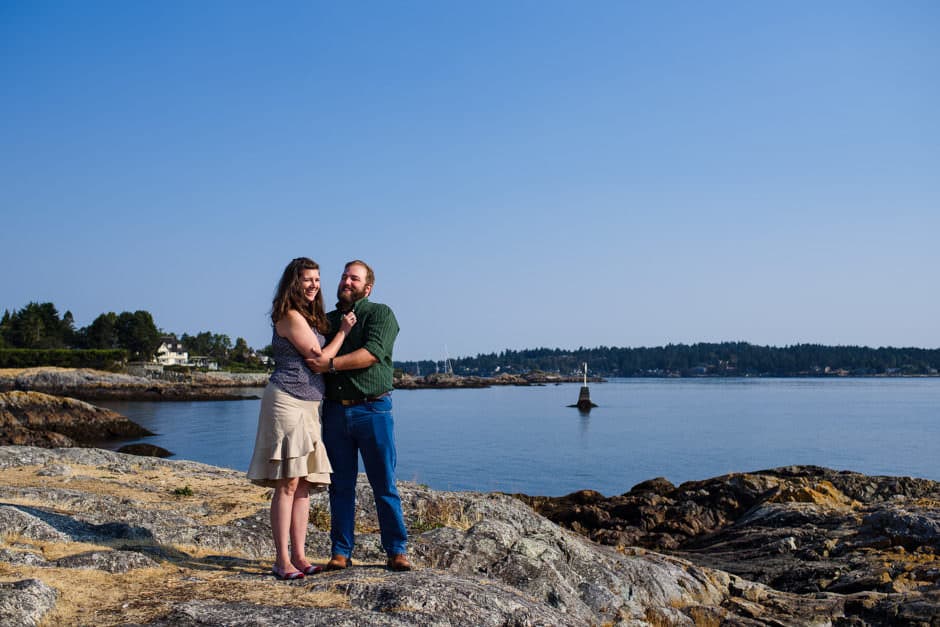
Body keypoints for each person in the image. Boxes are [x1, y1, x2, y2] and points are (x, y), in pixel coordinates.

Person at [247, 257, 357, 580]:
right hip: (287, 402)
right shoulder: (290, 316)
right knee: (288, 481)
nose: (314, 285)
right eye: (307, 279)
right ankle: (282, 560)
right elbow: (318, 359)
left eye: (318, 279)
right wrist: (344, 331)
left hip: (310, 406)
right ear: (294, 283)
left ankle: (299, 555)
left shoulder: (309, 317)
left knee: (305, 483)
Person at [307, 259, 412, 572]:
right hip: (336, 411)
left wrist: (332, 365)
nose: (346, 282)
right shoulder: (326, 320)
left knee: (385, 484)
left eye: (354, 278)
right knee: (340, 486)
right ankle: (340, 552)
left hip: (373, 409)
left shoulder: (380, 314)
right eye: (343, 277)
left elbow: (371, 353)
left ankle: (396, 550)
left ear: (368, 287)